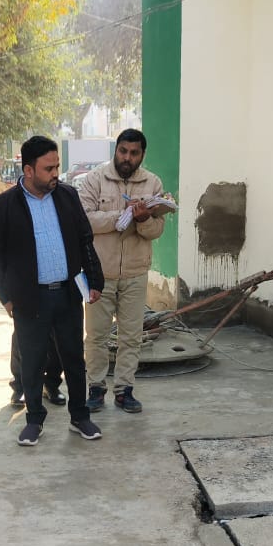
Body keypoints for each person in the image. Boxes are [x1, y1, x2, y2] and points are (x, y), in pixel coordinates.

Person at [0, 136, 105, 447]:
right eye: (48, 168)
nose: (55, 174)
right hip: (29, 298)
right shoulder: (3, 205)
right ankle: (34, 420)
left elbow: (85, 240)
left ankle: (79, 417)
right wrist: (4, 297)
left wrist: (94, 281)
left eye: (57, 167)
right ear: (28, 170)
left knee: (74, 359)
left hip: (67, 294)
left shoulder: (67, 196)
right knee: (32, 362)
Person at [78, 129, 168, 414]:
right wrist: (122, 215)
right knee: (96, 336)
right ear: (115, 150)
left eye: (134, 153)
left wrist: (143, 219)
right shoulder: (95, 180)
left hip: (135, 273)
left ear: (142, 155)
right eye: (123, 151)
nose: (127, 158)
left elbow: (156, 230)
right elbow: (84, 220)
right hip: (99, 273)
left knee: (131, 336)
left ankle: (124, 390)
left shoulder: (153, 183)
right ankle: (95, 388)